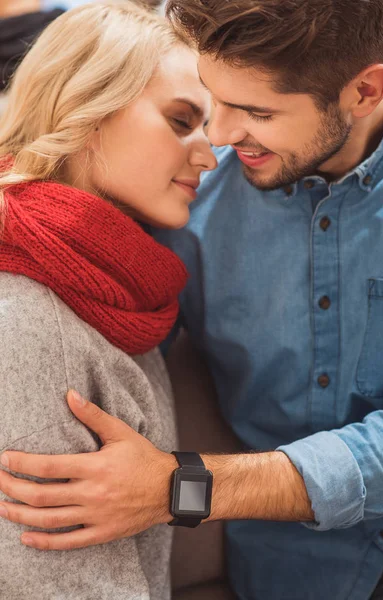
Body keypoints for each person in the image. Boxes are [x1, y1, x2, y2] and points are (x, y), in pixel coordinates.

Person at [1, 0, 383, 598]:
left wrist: (182, 486)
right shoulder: (183, 202)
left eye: (255, 111)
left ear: (365, 91)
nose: (218, 141)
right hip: (285, 574)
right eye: (208, 105)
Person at [0, 1, 215, 599]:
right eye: (180, 121)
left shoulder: (114, 291)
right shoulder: (29, 320)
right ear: (88, 111)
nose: (209, 154)